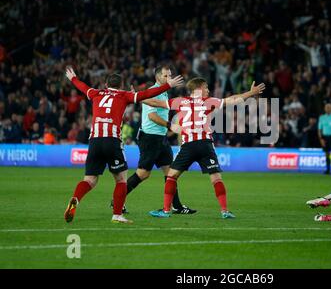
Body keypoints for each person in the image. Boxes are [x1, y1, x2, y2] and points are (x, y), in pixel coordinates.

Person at [63, 66, 183, 224]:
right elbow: (147, 94)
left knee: (90, 179)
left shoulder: (96, 93)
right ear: (121, 85)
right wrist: (168, 85)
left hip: (94, 141)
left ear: (106, 84)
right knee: (121, 179)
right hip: (112, 141)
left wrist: (73, 78)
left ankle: (75, 199)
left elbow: (82, 86)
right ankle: (117, 215)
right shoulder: (123, 95)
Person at [145, 77, 265, 219]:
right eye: (206, 87)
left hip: (188, 145)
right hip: (205, 145)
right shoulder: (210, 102)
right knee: (216, 178)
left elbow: (155, 102)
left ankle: (165, 211)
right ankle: (225, 211)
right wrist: (250, 93)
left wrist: (135, 97)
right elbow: (233, 100)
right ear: (199, 88)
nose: (208, 90)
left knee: (171, 176)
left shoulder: (179, 101)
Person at [111, 63, 196, 214]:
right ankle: (117, 201)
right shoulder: (152, 92)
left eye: (170, 75)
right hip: (150, 138)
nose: (169, 78)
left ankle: (176, 206)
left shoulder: (164, 93)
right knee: (143, 174)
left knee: (171, 173)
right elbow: (151, 116)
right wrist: (170, 125)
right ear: (157, 77)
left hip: (160, 138)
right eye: (166, 75)